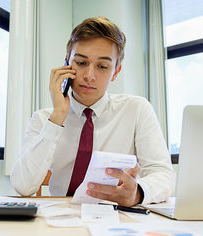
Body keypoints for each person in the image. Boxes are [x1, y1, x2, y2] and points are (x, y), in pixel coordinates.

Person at [10, 17, 174, 206]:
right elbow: (23, 186)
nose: (89, 76)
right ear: (66, 64)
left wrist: (137, 193)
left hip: (115, 217)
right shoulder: (43, 119)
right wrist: (56, 119)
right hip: (59, 217)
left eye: (102, 66)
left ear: (115, 72)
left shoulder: (136, 109)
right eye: (80, 62)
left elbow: (163, 174)